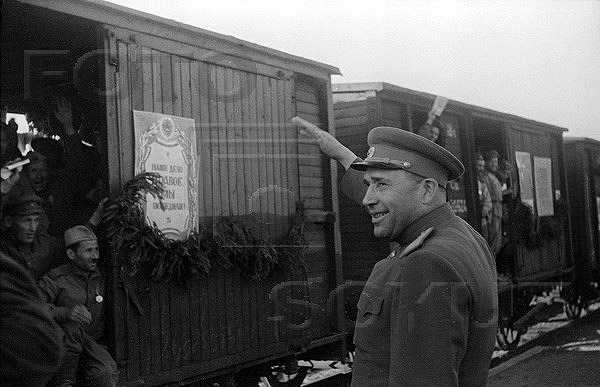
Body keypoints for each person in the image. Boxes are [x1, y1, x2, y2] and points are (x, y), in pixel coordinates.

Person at [293, 116, 497, 386]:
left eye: (381, 185)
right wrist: (341, 153)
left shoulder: (425, 264)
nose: (367, 199)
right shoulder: (464, 237)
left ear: (426, 190)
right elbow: (393, 199)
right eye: (369, 184)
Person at [39, 225, 118, 387]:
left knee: (105, 372)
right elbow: (33, 306)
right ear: (71, 254)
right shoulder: (56, 279)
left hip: (93, 343)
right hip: (61, 346)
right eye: (88, 251)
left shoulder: (103, 277)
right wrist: (66, 312)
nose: (95, 256)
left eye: (96, 250)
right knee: (73, 326)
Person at [0, 192, 65, 280]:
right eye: (27, 221)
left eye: (36, 220)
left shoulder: (45, 244)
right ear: (8, 221)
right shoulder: (3, 250)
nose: (33, 228)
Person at [481, 150, 503, 255]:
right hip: (493, 210)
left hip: (498, 208)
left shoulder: (493, 176)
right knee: (493, 239)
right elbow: (488, 195)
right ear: (486, 162)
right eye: (492, 161)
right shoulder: (486, 176)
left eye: (496, 162)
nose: (495, 164)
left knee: (497, 239)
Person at [475, 153, 492, 240]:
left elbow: (487, 198)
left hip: (482, 217)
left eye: (482, 166)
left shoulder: (482, 182)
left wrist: (485, 208)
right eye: (479, 166)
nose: (481, 168)